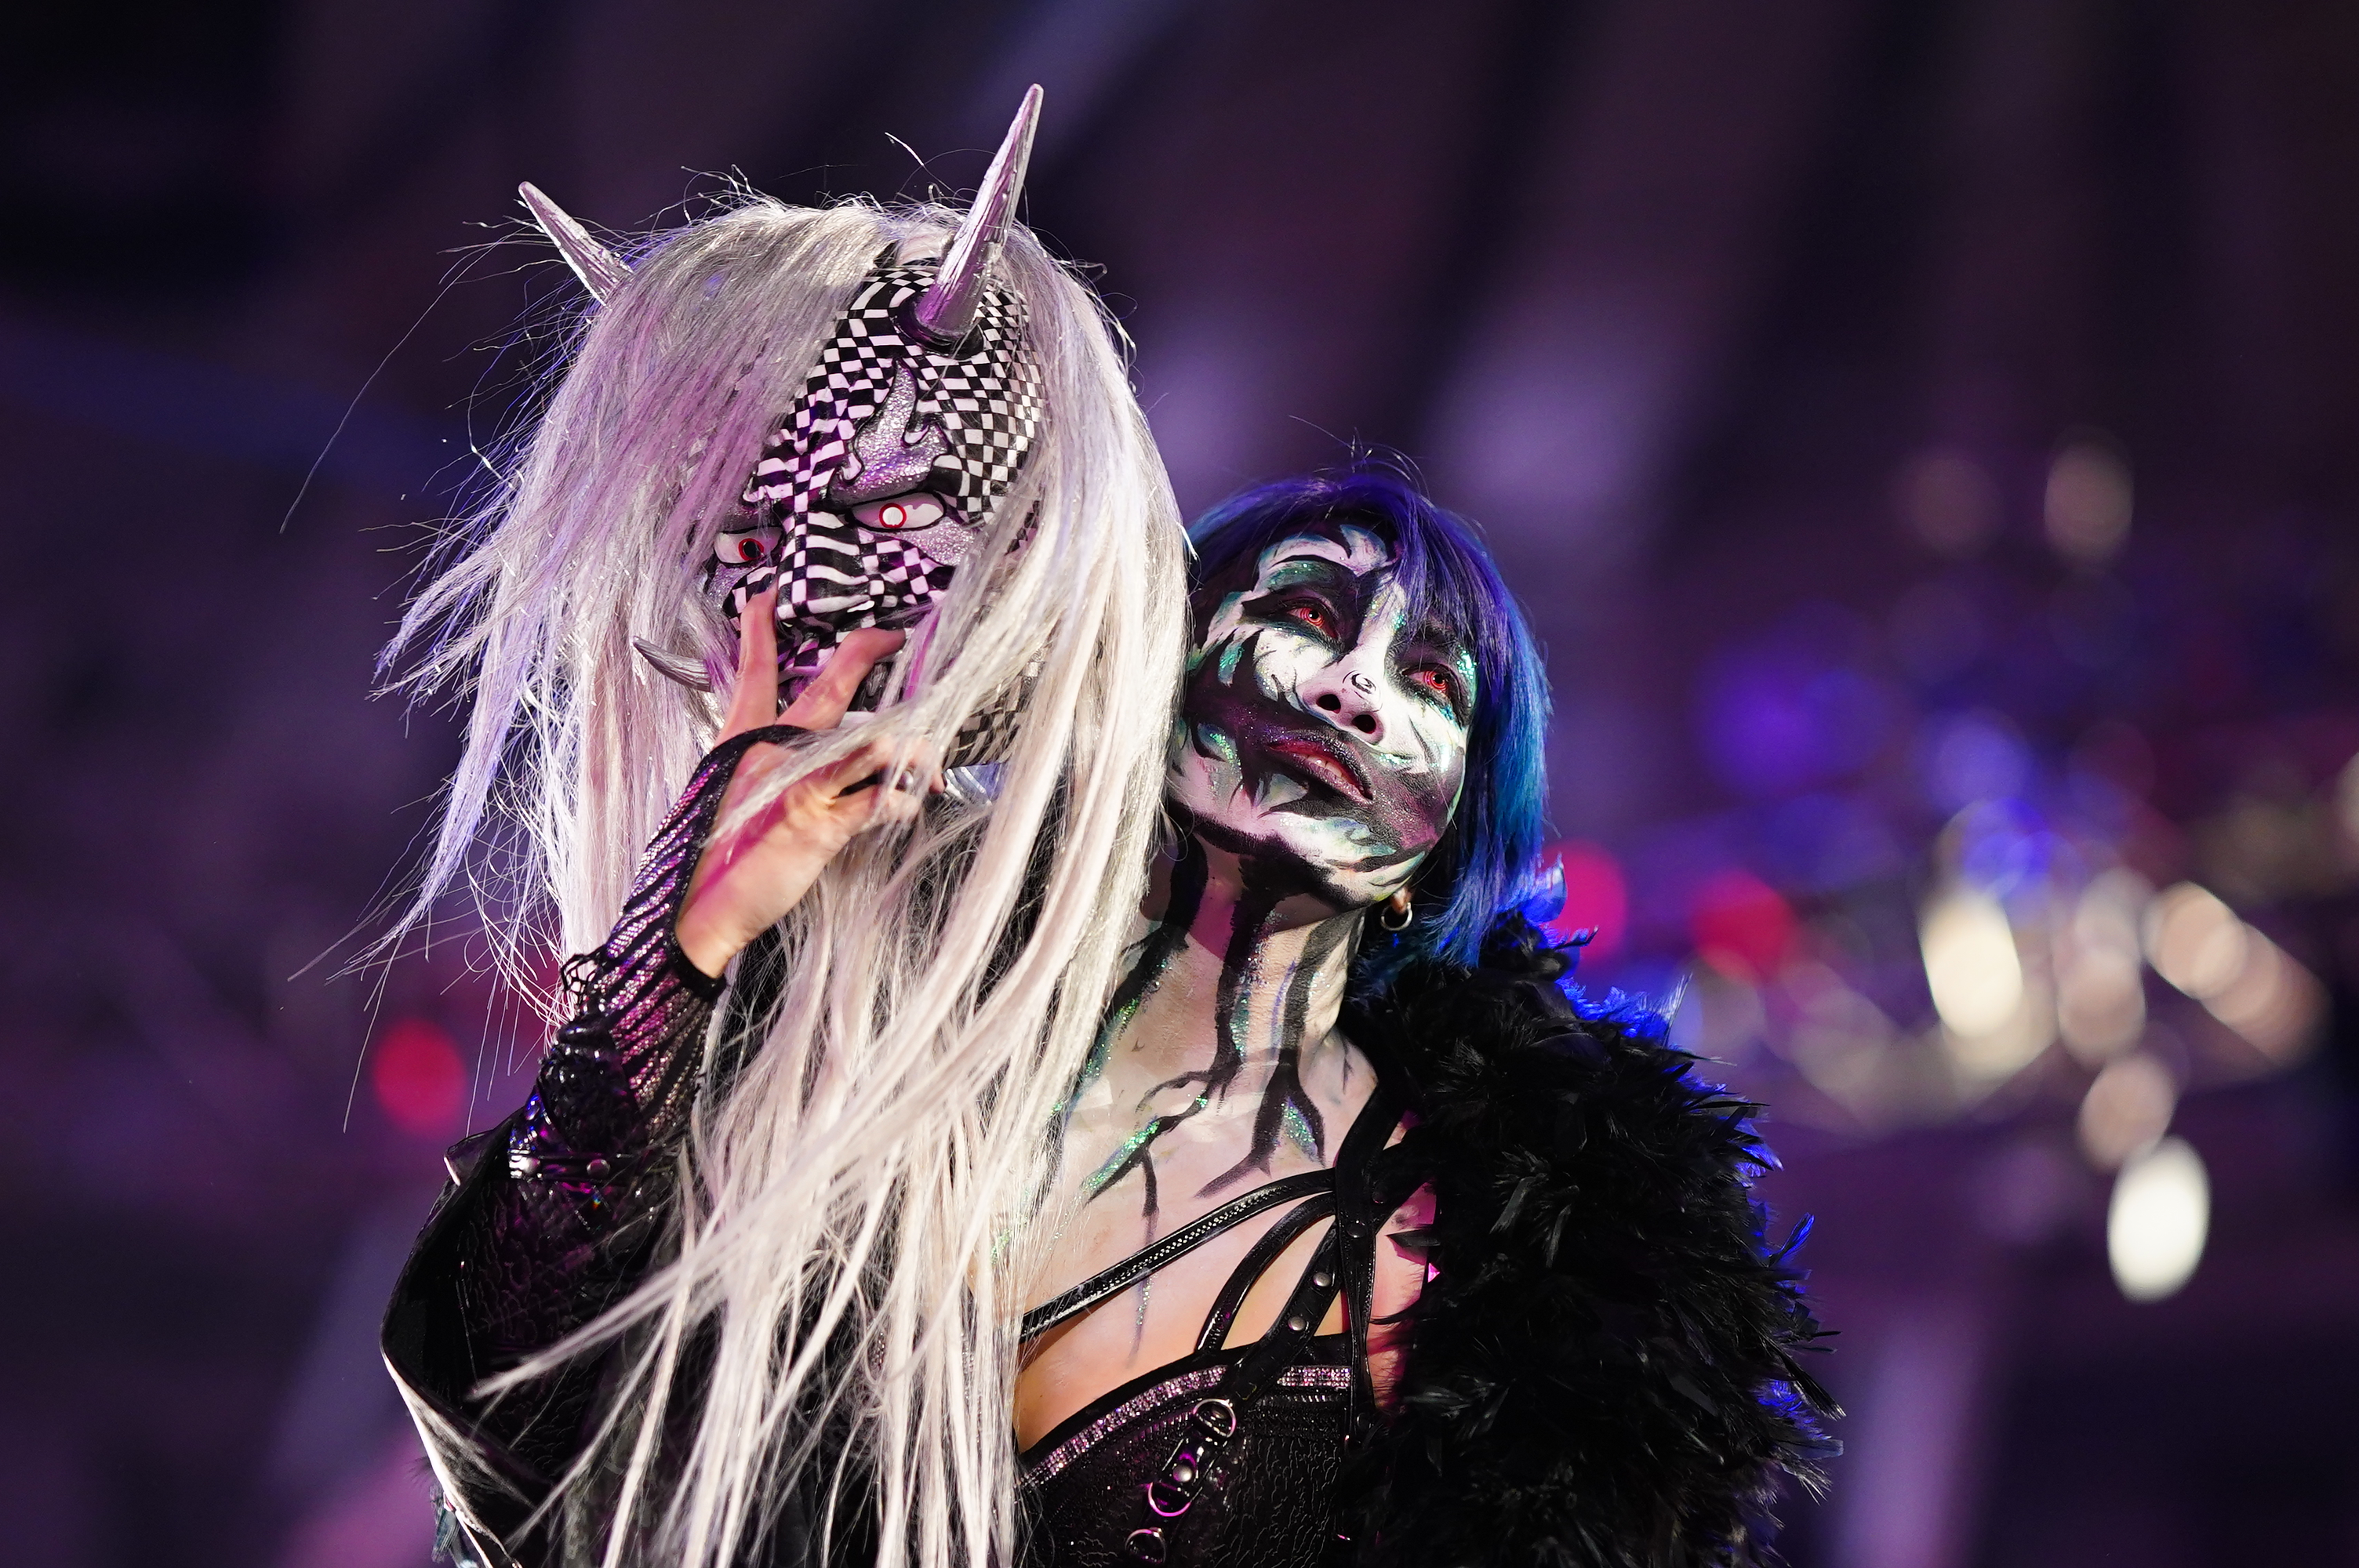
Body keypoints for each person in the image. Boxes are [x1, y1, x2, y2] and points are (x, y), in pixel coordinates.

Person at [380, 89, 1193, 1568]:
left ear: (1028, 537)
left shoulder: (1156, 987)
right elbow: (511, 1429)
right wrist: (676, 947)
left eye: (891, 510)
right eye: (741, 536)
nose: (799, 590)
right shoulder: (681, 1006)